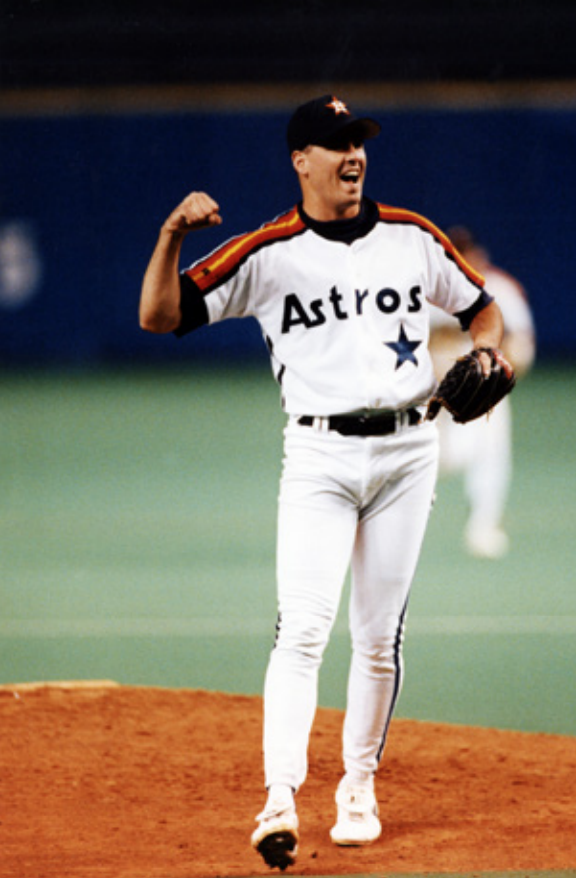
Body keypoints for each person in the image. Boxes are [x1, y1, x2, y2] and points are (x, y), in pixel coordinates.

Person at [139, 94, 507, 870]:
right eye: (336, 144)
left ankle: (359, 788)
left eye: (359, 142)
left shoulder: (412, 237)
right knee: (302, 629)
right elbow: (159, 316)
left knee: (377, 638)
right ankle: (279, 798)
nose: (353, 155)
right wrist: (171, 235)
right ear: (300, 160)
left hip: (410, 453)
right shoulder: (265, 253)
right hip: (319, 459)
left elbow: (482, 309)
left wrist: (488, 354)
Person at [428, 226, 535, 558]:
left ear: (478, 258)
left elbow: (522, 346)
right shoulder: (422, 289)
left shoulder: (500, 288)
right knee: (437, 459)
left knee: (491, 442)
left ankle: (483, 524)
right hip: (429, 390)